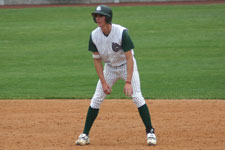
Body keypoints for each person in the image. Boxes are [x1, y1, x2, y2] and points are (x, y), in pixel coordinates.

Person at [75, 5, 157, 146]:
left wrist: (128, 81)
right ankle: (85, 135)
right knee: (97, 98)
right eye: (96, 16)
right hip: (109, 68)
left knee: (137, 97)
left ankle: (150, 132)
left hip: (126, 66)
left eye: (100, 16)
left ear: (108, 18)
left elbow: (130, 58)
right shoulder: (94, 35)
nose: (97, 18)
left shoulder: (121, 33)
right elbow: (96, 61)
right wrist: (104, 82)